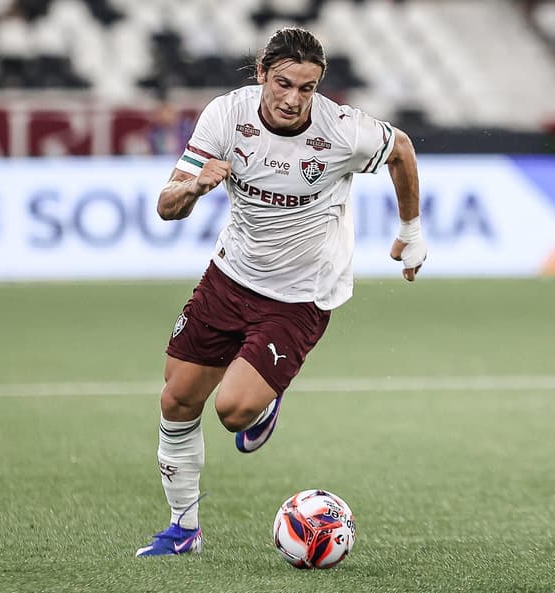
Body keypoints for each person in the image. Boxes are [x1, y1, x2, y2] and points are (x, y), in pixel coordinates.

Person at [135, 27, 428, 557]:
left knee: (233, 411)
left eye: (308, 88)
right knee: (177, 399)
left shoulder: (341, 130)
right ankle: (183, 529)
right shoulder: (227, 115)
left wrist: (410, 231)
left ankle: (263, 401)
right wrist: (197, 185)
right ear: (262, 73)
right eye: (284, 83)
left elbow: (401, 150)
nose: (294, 99)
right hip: (230, 276)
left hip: (301, 295)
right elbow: (166, 205)